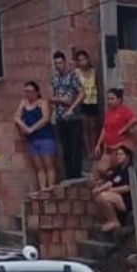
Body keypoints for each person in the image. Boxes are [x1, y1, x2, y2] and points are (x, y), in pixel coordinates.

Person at [14, 80, 58, 191]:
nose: (28, 94)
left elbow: (45, 118)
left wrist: (31, 129)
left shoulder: (42, 102)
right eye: (26, 91)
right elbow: (16, 117)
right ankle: (43, 188)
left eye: (30, 91)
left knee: (48, 165)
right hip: (32, 139)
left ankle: (51, 188)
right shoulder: (23, 103)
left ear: (37, 92)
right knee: (39, 167)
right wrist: (24, 127)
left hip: (45, 137)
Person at [49, 50, 85, 181]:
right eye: (56, 63)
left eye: (60, 62)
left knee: (75, 147)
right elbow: (51, 98)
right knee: (66, 149)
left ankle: (76, 175)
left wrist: (71, 106)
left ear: (65, 63)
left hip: (74, 117)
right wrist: (62, 101)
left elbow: (81, 94)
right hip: (60, 117)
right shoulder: (55, 79)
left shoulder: (73, 76)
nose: (58, 65)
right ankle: (69, 176)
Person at [95, 87, 137, 178]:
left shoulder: (124, 111)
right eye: (108, 99)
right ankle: (113, 178)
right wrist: (99, 144)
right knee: (100, 169)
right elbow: (105, 128)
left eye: (112, 99)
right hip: (108, 148)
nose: (109, 101)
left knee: (121, 169)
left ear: (119, 100)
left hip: (119, 147)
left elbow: (134, 120)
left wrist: (124, 129)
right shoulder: (109, 112)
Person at [91, 145, 134, 232]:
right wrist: (100, 189)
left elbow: (128, 187)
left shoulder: (130, 170)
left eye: (121, 154)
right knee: (98, 196)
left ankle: (114, 221)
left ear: (127, 157)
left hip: (127, 199)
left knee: (103, 196)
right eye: (117, 154)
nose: (118, 157)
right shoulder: (117, 170)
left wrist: (111, 190)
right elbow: (110, 182)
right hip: (116, 196)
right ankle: (112, 219)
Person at [74, 49, 101, 159]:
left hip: (93, 100)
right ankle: (88, 151)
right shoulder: (76, 73)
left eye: (84, 59)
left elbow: (97, 85)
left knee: (93, 127)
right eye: (80, 60)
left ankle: (95, 149)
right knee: (85, 128)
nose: (82, 62)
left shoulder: (93, 71)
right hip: (82, 101)